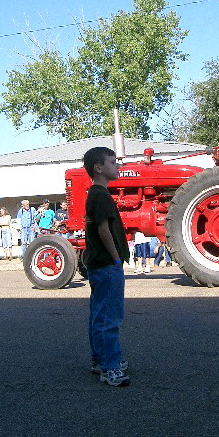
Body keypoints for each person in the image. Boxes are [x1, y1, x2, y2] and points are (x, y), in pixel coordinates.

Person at [83, 146, 131, 387]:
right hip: (106, 264)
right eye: (113, 162)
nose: (117, 166)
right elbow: (104, 230)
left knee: (98, 315)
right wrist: (116, 259)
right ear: (98, 168)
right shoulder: (100, 195)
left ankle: (99, 360)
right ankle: (110, 368)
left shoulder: (95, 193)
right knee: (109, 318)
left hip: (98, 264)